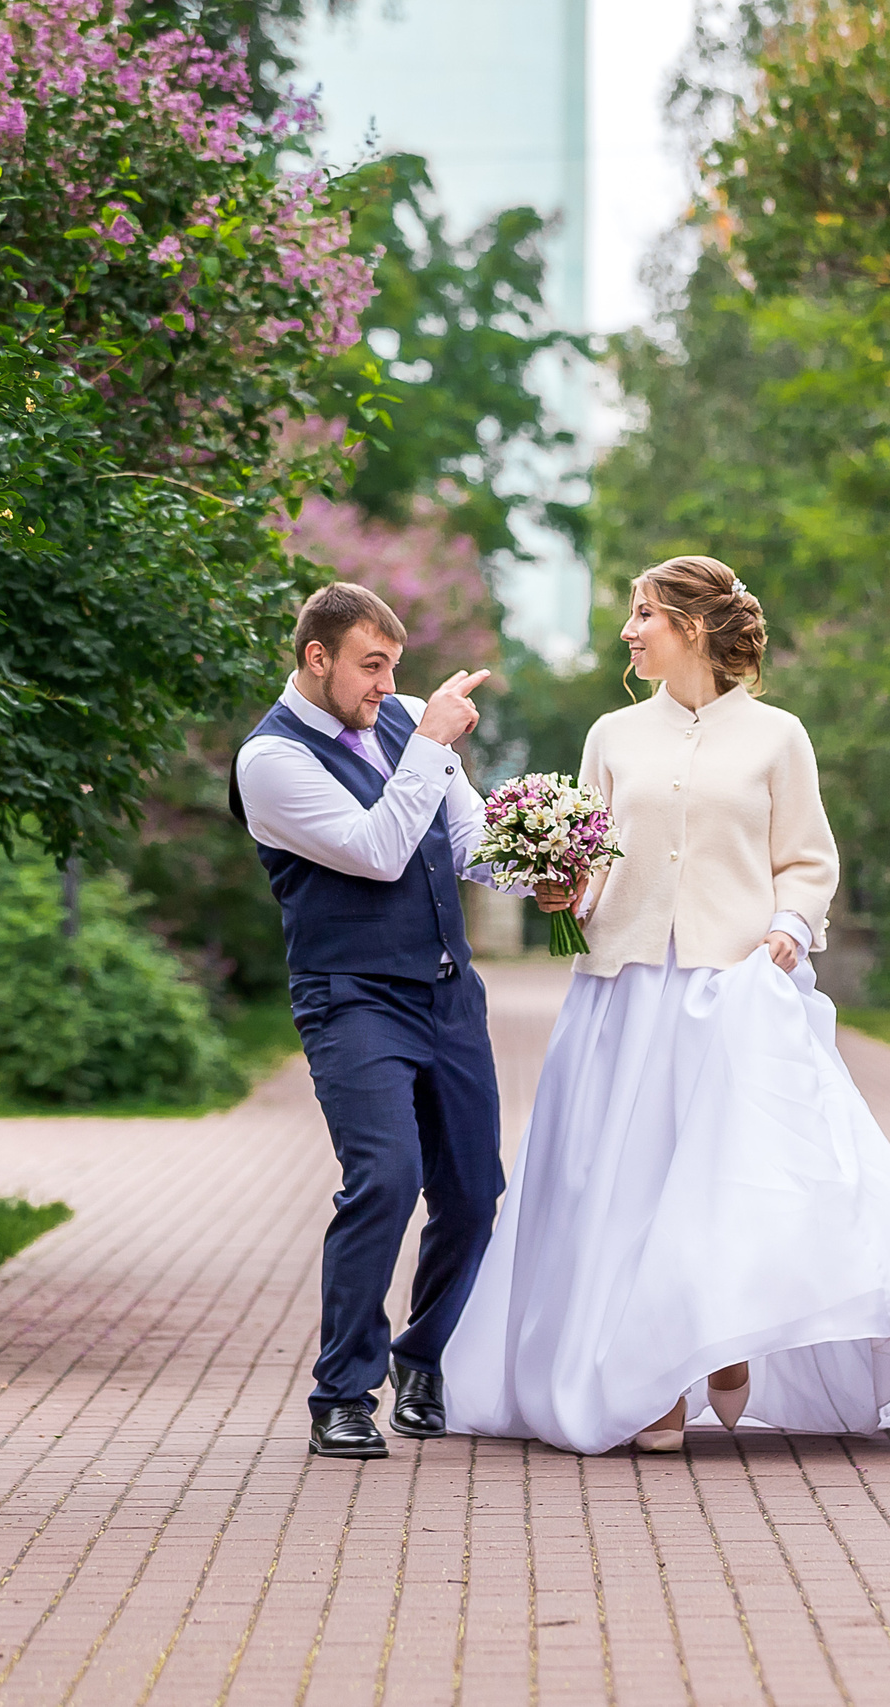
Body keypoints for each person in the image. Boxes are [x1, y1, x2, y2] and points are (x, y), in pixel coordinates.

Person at [441, 555, 890, 1455]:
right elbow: (595, 856)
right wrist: (569, 893)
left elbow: (807, 857)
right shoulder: (612, 735)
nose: (629, 631)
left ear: (691, 625)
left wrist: (791, 926)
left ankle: (719, 1337)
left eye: (643, 614)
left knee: (727, 1178)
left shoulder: (777, 736)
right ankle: (647, 1385)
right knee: (623, 1185)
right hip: (623, 993)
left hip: (734, 989)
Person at [231, 581, 507, 1460]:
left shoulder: (406, 718)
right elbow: (379, 851)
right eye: (370, 667)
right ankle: (341, 1392)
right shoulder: (269, 762)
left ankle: (422, 1358)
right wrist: (428, 744)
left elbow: (463, 842)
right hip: (353, 998)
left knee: (471, 1191)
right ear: (318, 658)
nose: (387, 686)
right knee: (385, 1178)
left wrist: (539, 868)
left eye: (394, 666)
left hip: (449, 993)